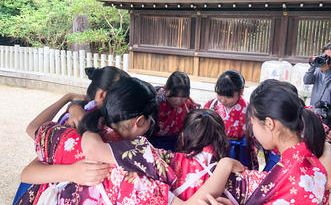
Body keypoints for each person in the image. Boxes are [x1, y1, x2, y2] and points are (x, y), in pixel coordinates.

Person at [82, 81, 331, 204]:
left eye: (254, 124)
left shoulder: (298, 180)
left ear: (270, 124)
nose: (252, 130)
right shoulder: (308, 166)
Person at [18, 78, 243, 205]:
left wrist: (70, 173)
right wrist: (224, 165)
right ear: (140, 121)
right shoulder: (134, 163)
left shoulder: (72, 133)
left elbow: (27, 173)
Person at [12, 66, 129, 204]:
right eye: (123, 97)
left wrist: (70, 101)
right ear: (103, 95)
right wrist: (72, 172)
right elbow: (28, 171)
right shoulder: (80, 122)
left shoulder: (83, 114)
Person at [81, 109, 241, 201]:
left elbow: (92, 148)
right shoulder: (234, 177)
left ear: (183, 137)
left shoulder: (152, 157)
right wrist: (225, 164)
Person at [204, 70, 256, 169]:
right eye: (220, 94)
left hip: (240, 150)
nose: (223, 100)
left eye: (228, 96)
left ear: (241, 92)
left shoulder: (248, 109)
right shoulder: (211, 105)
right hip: (216, 146)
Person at [149, 71, 199, 150]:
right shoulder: (154, 101)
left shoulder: (188, 104)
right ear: (166, 89)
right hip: (152, 141)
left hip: (175, 142)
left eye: (183, 96)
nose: (178, 101)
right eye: (175, 95)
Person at [304, 43, 331, 129]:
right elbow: (306, 80)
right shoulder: (319, 66)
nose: (327, 60)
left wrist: (327, 71)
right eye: (325, 56)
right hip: (314, 112)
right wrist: (313, 65)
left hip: (329, 116)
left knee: (323, 140)